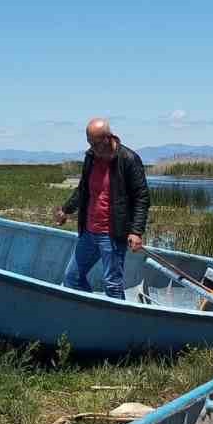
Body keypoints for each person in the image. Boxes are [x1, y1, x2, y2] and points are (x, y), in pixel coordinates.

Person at [53, 120, 149, 299]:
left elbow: (141, 198)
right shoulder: (91, 157)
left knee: (112, 284)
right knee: (72, 278)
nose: (92, 147)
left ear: (108, 138)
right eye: (89, 142)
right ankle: (92, 313)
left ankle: (119, 322)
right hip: (89, 231)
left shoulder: (128, 159)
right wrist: (66, 210)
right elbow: (83, 190)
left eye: (95, 143)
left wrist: (136, 231)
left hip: (112, 234)